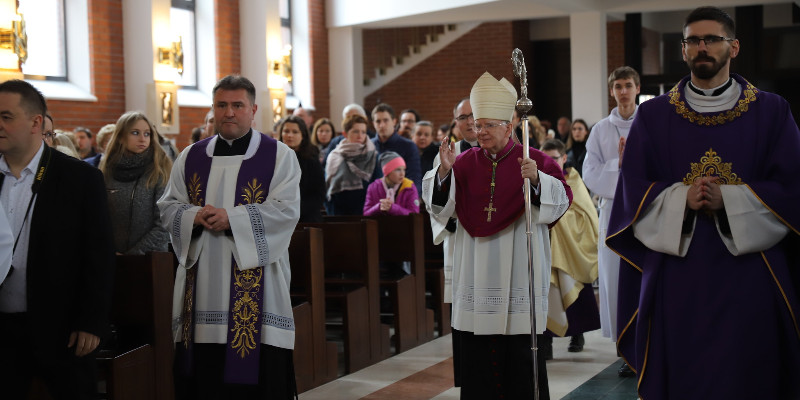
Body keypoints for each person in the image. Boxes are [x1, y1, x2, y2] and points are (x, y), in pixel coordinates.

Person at [607, 7, 800, 399]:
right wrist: (682, 198)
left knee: (752, 374)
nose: (702, 48)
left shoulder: (772, 111)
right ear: (682, 49)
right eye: (693, 40)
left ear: (734, 46)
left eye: (712, 39)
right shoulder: (653, 115)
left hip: (752, 274)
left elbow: (792, 187)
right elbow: (633, 190)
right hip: (678, 274)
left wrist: (729, 198)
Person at [423, 72, 572, 400]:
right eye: (477, 125)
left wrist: (537, 181)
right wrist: (444, 173)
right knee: (479, 351)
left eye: (489, 125)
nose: (480, 132)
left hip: (520, 263)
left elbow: (563, 201)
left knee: (520, 350)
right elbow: (439, 209)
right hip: (476, 268)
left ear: (510, 126)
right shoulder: (462, 163)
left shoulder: (537, 160)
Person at [158, 75, 301, 399]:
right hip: (202, 287)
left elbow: (286, 211)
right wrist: (193, 215)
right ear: (213, 108)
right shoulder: (190, 156)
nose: (229, 112)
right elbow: (167, 207)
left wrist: (232, 218)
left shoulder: (279, 156)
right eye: (222, 105)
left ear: (253, 110)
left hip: (258, 292)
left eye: (238, 105)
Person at [0, 79, 115, 398]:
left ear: (36, 122)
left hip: (61, 326)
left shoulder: (79, 178)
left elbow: (99, 254)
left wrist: (92, 321)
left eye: (6, 117)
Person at [581, 65, 641, 376]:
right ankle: (626, 353)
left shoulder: (650, 122)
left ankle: (649, 345)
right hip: (613, 211)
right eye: (618, 86)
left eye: (628, 85)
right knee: (616, 281)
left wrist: (631, 161)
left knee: (646, 278)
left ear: (637, 89)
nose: (623, 91)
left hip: (646, 211)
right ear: (611, 91)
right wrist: (620, 161)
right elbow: (589, 174)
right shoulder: (601, 130)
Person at [423, 97, 477, 387]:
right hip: (462, 242)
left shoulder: (501, 152)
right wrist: (444, 173)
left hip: (495, 243)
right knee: (463, 310)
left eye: (473, 115)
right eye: (462, 117)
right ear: (455, 122)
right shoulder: (448, 153)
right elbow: (432, 198)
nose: (469, 122)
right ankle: (468, 380)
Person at [539, 139, 600, 357]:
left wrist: (556, 217)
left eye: (554, 158)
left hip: (571, 245)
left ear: (564, 158)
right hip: (546, 244)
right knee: (545, 291)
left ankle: (578, 332)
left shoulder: (573, 180)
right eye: (545, 158)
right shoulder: (538, 179)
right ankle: (545, 341)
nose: (549, 162)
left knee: (576, 287)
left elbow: (586, 214)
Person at [100, 111, 172, 255]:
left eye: (147, 134)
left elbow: (164, 224)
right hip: (113, 257)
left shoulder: (159, 170)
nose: (142, 139)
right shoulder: (107, 170)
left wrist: (132, 255)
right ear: (120, 137)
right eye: (135, 133)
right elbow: (99, 218)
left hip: (151, 260)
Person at [325, 114, 376, 216]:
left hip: (366, 211)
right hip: (339, 213)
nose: (360, 135)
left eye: (363, 132)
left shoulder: (372, 155)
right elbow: (328, 186)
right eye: (355, 131)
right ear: (345, 134)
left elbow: (377, 184)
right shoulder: (335, 156)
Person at [278, 115, 325, 222]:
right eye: (286, 131)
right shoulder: (274, 158)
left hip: (306, 218)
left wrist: (294, 209)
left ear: (302, 135)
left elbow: (319, 194)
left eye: (295, 132)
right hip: (279, 217)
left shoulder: (311, 159)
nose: (290, 135)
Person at [370, 103, 422, 196]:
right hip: (373, 200)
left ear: (394, 121)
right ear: (373, 123)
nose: (382, 125)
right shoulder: (369, 145)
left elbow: (414, 178)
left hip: (401, 199)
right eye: (378, 121)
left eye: (386, 120)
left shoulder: (408, 146)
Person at [363, 151, 419, 216]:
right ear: (387, 172)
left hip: (404, 225)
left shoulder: (409, 187)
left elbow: (415, 214)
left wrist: (392, 208)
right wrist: (379, 207)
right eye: (398, 170)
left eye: (404, 169)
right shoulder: (373, 187)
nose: (402, 174)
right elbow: (366, 213)